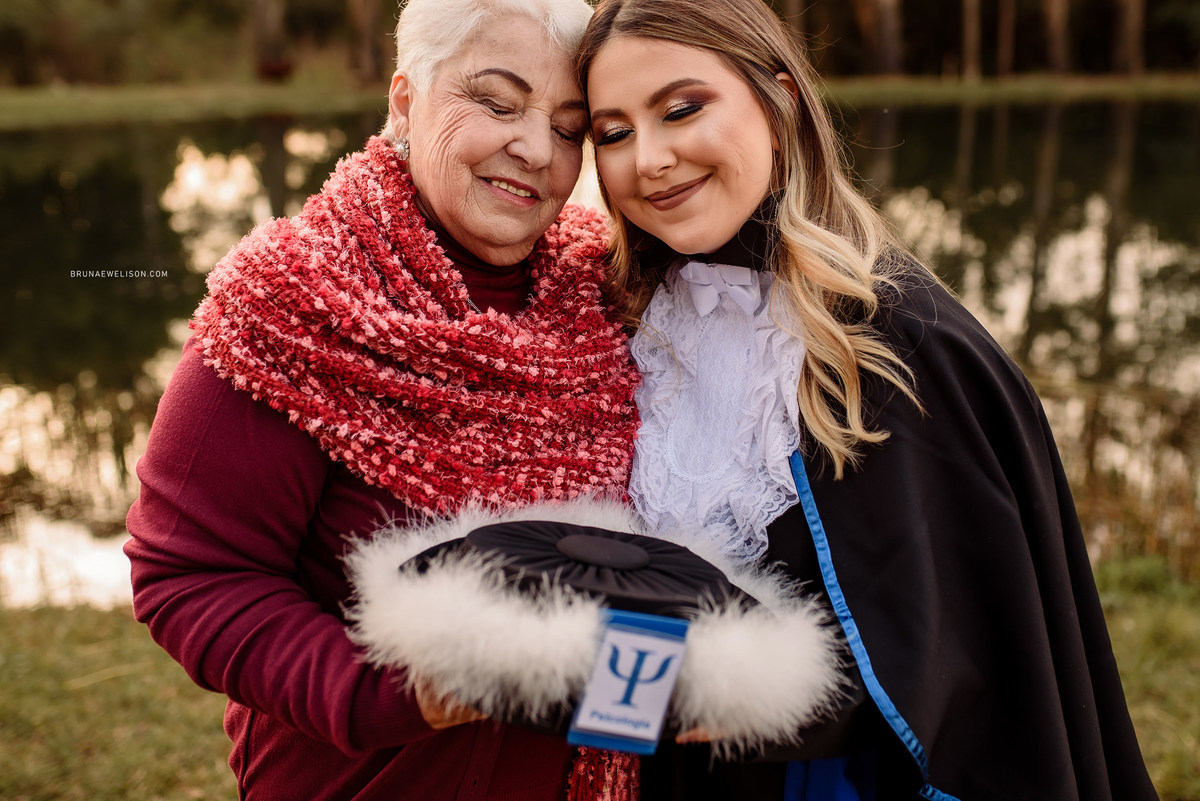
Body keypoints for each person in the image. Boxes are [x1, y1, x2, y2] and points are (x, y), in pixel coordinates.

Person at [574, 0, 1160, 799]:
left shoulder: (902, 342)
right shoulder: (623, 322)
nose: (650, 159)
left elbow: (966, 646)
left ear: (779, 104)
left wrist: (764, 693)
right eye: (612, 133)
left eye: (682, 109)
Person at [123, 0, 644, 798]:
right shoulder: (291, 305)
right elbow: (189, 573)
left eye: (569, 127)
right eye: (497, 102)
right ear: (405, 99)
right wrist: (382, 693)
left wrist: (659, 693)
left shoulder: (608, 296)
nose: (537, 149)